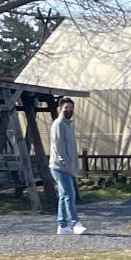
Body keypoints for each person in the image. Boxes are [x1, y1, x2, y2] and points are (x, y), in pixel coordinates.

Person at [50, 95, 85, 237]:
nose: (69, 110)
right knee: (70, 194)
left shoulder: (68, 125)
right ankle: (75, 223)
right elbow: (58, 146)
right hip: (60, 166)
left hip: (67, 166)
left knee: (64, 195)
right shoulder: (59, 124)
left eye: (71, 108)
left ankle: (62, 225)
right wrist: (65, 162)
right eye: (66, 108)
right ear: (59, 109)